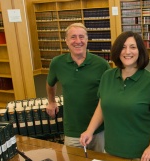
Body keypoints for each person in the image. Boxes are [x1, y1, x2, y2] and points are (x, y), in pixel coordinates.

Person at [80, 31, 150, 161]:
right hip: (110, 150)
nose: (127, 52)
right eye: (123, 47)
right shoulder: (107, 76)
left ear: (140, 51)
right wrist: (89, 131)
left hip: (141, 155)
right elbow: (102, 106)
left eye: (133, 47)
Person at [45, 23, 110, 152]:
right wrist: (51, 102)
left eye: (81, 37)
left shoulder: (102, 65)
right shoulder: (57, 63)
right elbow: (50, 83)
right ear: (66, 41)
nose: (78, 41)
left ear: (87, 40)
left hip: (99, 130)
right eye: (73, 37)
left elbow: (109, 93)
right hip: (72, 130)